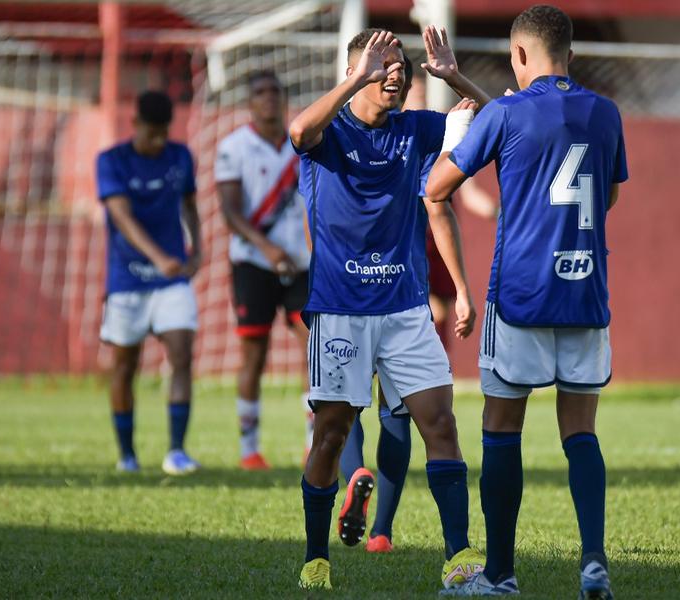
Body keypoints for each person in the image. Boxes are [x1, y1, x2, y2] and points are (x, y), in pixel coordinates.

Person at [425, 5, 625, 597]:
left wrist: (454, 134)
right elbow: (607, 195)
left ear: (518, 55)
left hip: (520, 297)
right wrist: (461, 81)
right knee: (581, 433)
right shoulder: (606, 113)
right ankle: (593, 562)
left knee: (501, 428)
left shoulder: (508, 113)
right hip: (586, 292)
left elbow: (436, 189)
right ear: (571, 52)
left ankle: (502, 576)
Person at [290, 27, 489, 591]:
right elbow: (299, 129)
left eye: (400, 67)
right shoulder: (328, 133)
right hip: (340, 310)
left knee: (441, 424)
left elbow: (506, 126)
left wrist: (452, 76)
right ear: (355, 74)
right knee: (330, 433)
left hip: (405, 309)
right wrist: (356, 76)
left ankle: (460, 559)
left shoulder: (417, 130)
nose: (396, 74)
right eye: (384, 67)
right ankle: (315, 558)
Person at [336, 59, 502, 556]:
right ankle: (383, 531)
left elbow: (451, 194)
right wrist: (462, 288)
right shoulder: (419, 140)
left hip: (356, 290)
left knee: (342, 411)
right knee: (401, 413)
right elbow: (443, 201)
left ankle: (357, 476)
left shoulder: (387, 138)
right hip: (405, 288)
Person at [95, 90, 201, 476]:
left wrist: (198, 250)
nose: (157, 141)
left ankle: (176, 451)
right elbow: (121, 217)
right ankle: (127, 455)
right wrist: (160, 259)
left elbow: (189, 204)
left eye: (163, 133)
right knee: (124, 366)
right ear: (135, 124)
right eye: (150, 133)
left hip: (171, 283)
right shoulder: (111, 161)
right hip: (127, 281)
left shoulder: (180, 157)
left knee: (181, 354)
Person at [215, 70, 313, 471]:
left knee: (316, 348)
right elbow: (230, 212)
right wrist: (268, 248)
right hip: (253, 263)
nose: (269, 98)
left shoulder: (303, 142)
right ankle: (249, 449)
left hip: (304, 263)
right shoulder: (233, 147)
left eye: (275, 90)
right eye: (260, 92)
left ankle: (314, 443)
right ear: (249, 102)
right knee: (253, 355)